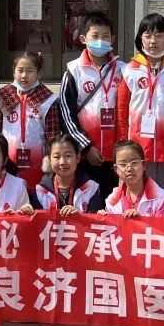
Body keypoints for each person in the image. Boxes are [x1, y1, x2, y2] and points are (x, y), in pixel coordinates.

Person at [116, 13, 164, 186]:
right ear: (140, 39)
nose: (153, 41)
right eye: (147, 35)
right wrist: (123, 144)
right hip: (137, 147)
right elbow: (121, 111)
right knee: (137, 194)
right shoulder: (129, 71)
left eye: (159, 35)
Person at [59, 11, 124, 197]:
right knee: (85, 203)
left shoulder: (123, 70)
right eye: (95, 36)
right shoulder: (73, 71)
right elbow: (66, 115)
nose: (100, 41)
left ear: (112, 39)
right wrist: (86, 147)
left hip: (115, 155)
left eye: (105, 36)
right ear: (83, 39)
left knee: (112, 202)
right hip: (84, 156)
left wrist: (122, 149)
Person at [0, 51, 60, 193]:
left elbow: (52, 135)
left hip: (38, 159)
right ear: (13, 71)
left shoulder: (48, 99)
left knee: (36, 193)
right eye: (20, 70)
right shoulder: (3, 96)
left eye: (29, 71)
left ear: (39, 73)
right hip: (8, 158)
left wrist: (50, 157)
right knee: (9, 193)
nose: (24, 75)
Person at [33, 135, 104, 214]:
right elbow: (37, 220)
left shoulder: (91, 188)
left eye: (68, 156)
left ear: (78, 157)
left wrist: (79, 216)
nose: (62, 162)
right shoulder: (41, 191)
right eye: (57, 157)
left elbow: (95, 220)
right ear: (49, 160)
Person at [99, 140, 164, 218]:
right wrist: (102, 218)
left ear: (144, 165)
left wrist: (140, 221)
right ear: (116, 169)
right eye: (123, 164)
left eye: (134, 162)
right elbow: (110, 224)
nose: (129, 168)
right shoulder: (112, 200)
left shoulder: (160, 197)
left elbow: (163, 225)